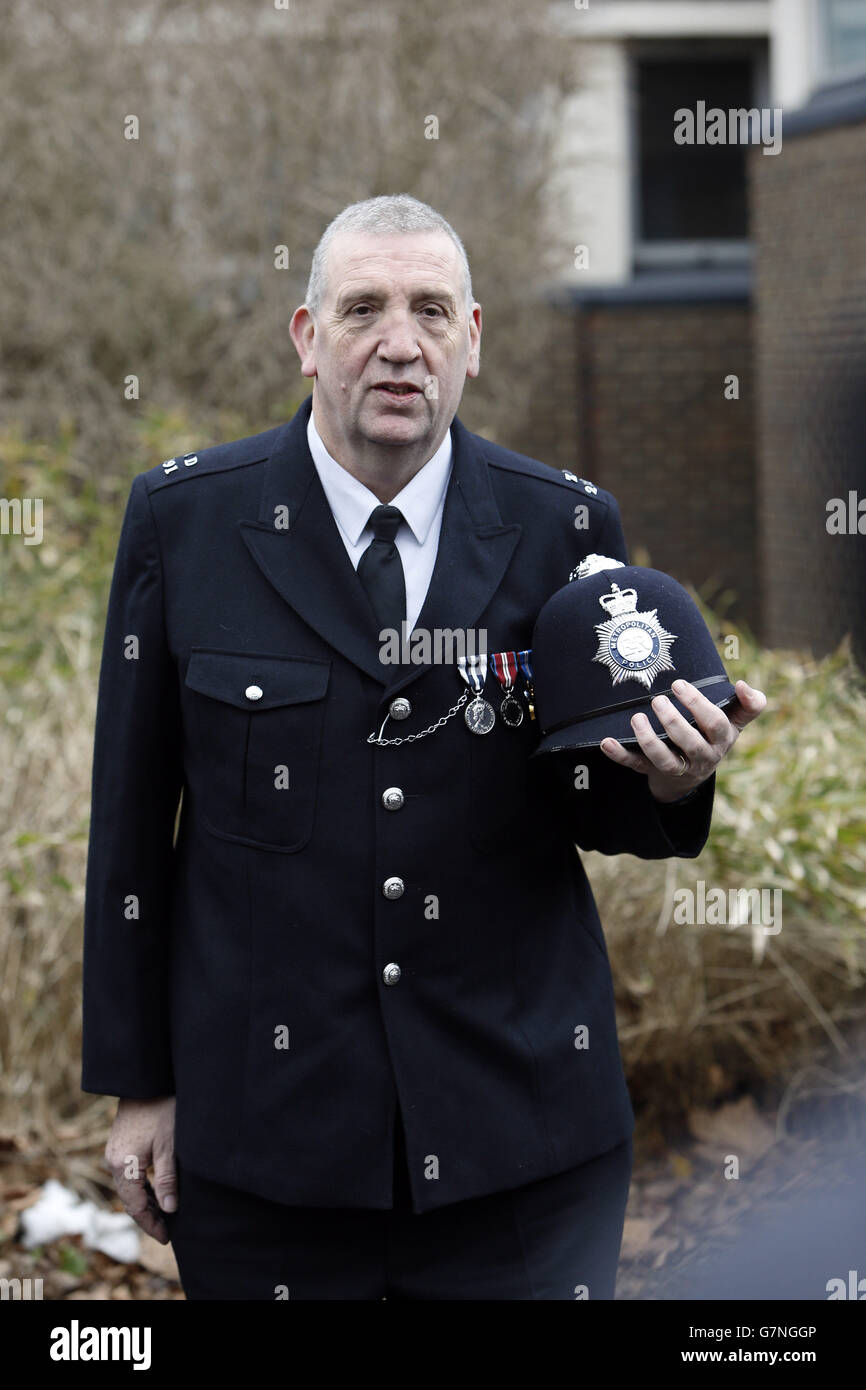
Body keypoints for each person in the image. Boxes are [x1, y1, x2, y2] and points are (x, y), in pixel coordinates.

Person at [81, 194, 767, 1300]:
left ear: (472, 341)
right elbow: (128, 828)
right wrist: (136, 1084)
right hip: (268, 1153)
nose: (399, 341)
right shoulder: (184, 522)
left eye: (431, 311)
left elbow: (591, 797)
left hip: (520, 1147)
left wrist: (672, 781)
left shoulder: (565, 528)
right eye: (362, 309)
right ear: (307, 339)